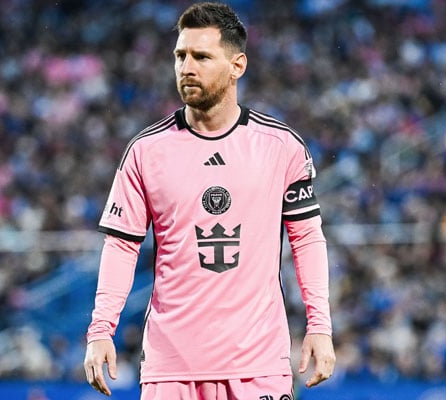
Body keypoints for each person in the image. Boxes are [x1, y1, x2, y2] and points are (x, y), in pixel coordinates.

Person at [84, 2, 335, 399]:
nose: (187, 67)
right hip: (171, 370)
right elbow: (121, 245)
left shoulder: (280, 146)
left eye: (201, 56)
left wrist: (319, 325)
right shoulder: (146, 152)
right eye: (180, 56)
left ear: (238, 65)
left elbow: (306, 239)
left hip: (258, 365)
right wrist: (101, 330)